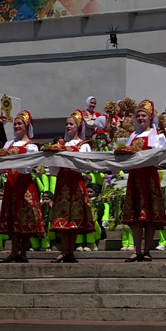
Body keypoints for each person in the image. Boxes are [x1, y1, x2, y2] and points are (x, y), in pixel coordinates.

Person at [123, 100, 166, 262]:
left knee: (149, 216)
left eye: (144, 115)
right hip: (135, 177)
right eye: (139, 115)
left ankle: (147, 250)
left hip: (149, 177)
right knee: (136, 217)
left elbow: (160, 158)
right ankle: (136, 250)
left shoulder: (157, 135)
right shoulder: (132, 136)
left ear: (150, 117)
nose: (141, 118)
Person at [0, 111, 44, 263]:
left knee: (25, 219)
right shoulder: (8, 144)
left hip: (24, 185)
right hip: (12, 183)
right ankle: (13, 252)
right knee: (13, 218)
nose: (17, 126)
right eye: (15, 124)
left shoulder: (32, 147)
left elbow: (28, 168)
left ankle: (23, 252)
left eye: (20, 124)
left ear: (26, 126)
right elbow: (2, 167)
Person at [49, 110, 94, 263]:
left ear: (78, 126)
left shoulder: (83, 145)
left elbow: (85, 167)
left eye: (71, 124)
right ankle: (63, 250)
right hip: (63, 182)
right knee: (63, 217)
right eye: (67, 124)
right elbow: (54, 170)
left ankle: (70, 251)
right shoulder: (61, 145)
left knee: (74, 217)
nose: (68, 126)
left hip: (75, 182)